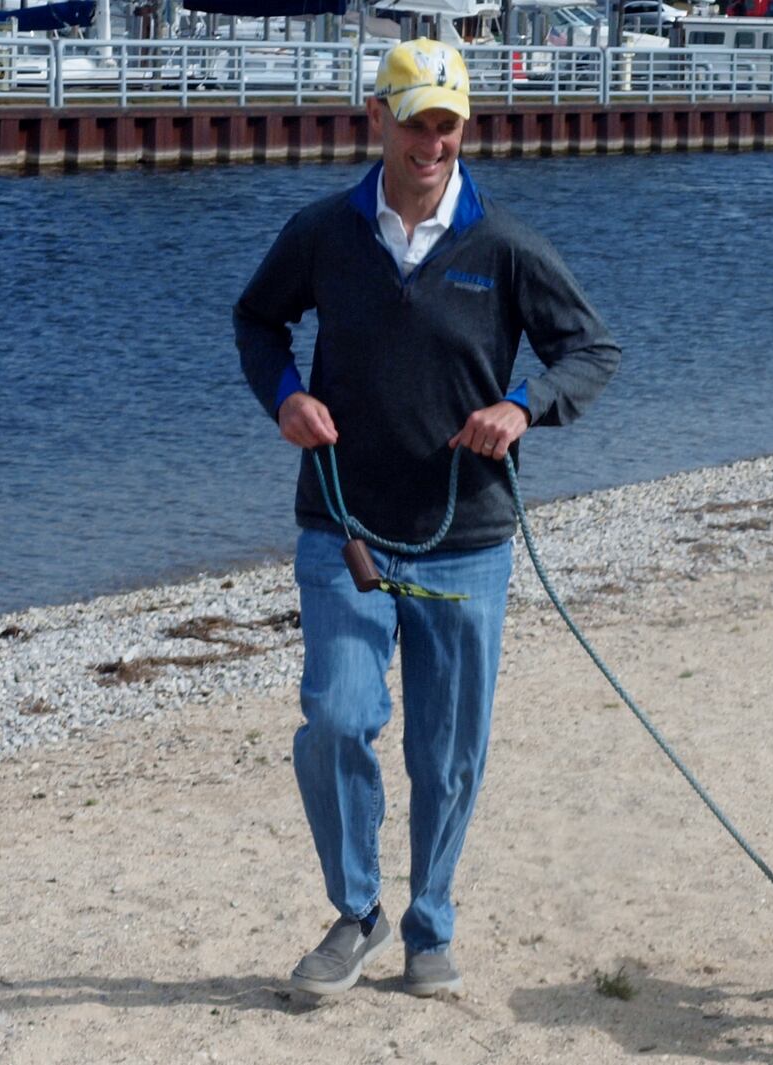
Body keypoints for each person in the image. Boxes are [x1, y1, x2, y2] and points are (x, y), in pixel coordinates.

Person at [236, 38, 621, 999]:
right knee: (335, 716)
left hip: (470, 538)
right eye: (415, 122)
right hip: (344, 527)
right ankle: (358, 912)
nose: (432, 142)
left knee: (446, 753)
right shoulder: (323, 230)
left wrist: (524, 404)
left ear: (464, 128)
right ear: (377, 120)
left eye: (448, 123)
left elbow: (593, 350)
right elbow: (256, 321)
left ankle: (429, 924)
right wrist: (283, 394)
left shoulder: (508, 246)